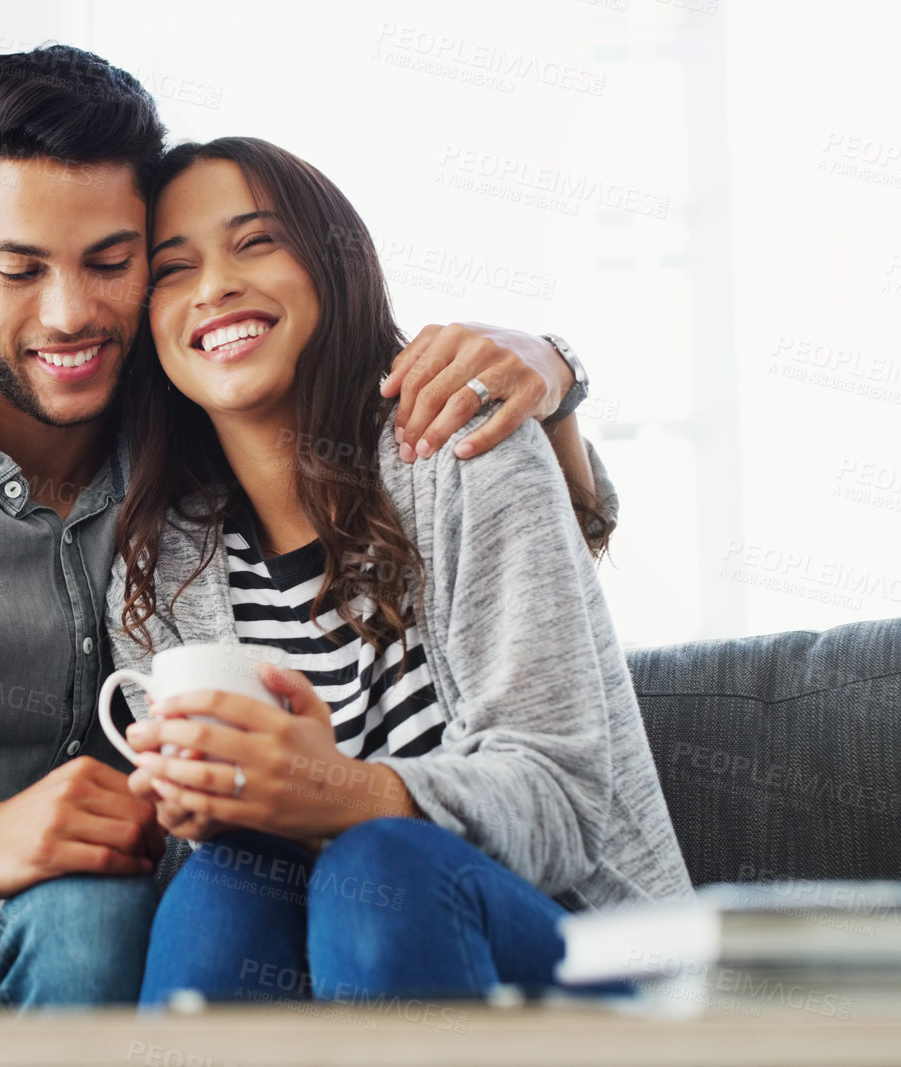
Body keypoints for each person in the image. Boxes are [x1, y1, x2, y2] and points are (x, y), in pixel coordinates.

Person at [0, 46, 614, 1010]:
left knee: (139, 905)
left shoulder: (192, 436)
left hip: (82, 942)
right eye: (19, 269)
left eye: (111, 261)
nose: (69, 314)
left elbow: (523, 519)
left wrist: (550, 371)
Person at [106, 136, 692, 1008]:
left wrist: (331, 790)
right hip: (325, 970)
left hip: (584, 959)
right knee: (225, 878)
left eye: (255, 241)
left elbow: (562, 807)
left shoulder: (465, 446)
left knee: (378, 861)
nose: (215, 284)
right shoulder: (162, 565)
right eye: (171, 267)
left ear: (334, 265)